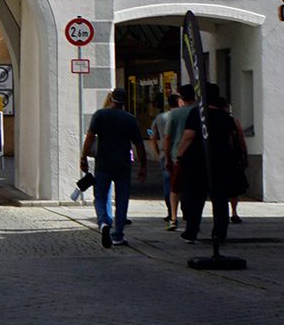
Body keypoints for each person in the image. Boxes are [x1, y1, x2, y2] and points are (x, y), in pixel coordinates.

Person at [176, 83, 246, 248]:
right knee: (220, 200)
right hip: (222, 162)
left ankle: (191, 232)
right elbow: (233, 140)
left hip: (198, 162)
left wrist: (179, 156)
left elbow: (188, 136)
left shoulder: (197, 114)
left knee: (195, 199)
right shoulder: (226, 117)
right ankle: (219, 233)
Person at [80, 88, 146, 248]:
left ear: (111, 98)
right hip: (123, 164)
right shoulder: (130, 119)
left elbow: (89, 137)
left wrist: (83, 157)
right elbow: (139, 144)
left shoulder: (100, 115)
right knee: (122, 199)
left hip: (103, 162)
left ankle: (104, 223)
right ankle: (118, 236)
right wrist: (143, 166)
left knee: (101, 196)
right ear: (125, 101)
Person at [150, 92, 179, 229]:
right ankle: (185, 210)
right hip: (181, 153)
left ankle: (170, 212)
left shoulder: (159, 118)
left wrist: (156, 151)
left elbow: (152, 135)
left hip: (164, 154)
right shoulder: (182, 116)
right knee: (183, 183)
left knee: (168, 183)